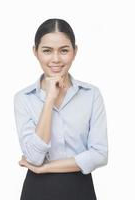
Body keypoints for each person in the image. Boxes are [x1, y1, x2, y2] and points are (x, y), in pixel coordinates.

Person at [13, 18, 108, 200]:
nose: (55, 59)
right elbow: (34, 158)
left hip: (81, 190)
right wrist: (49, 99)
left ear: (75, 51)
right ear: (35, 52)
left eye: (64, 50)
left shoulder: (91, 95)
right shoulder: (23, 98)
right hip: (37, 191)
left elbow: (100, 154)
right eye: (47, 51)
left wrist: (47, 168)